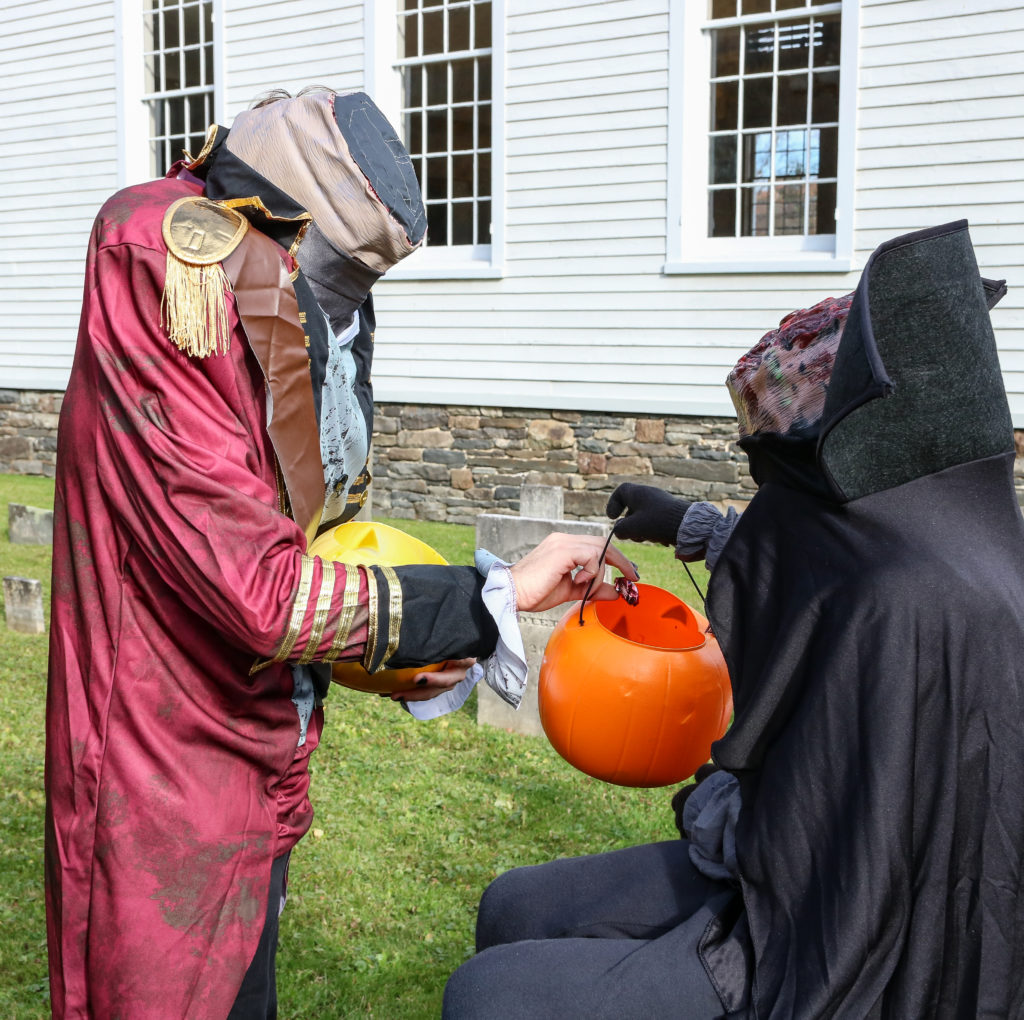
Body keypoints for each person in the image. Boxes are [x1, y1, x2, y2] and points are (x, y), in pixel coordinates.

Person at [44, 87, 637, 1020]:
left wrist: (390, 659)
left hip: (263, 747)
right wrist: (491, 597)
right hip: (162, 771)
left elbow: (299, 533)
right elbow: (259, 590)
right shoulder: (165, 263)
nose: (332, 322)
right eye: (328, 288)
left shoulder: (287, 299)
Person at [442, 220, 1024, 1018]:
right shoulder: (910, 526)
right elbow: (814, 561)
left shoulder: (911, 602)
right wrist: (694, 526)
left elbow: (842, 854)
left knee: (487, 997)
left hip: (815, 939)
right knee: (513, 905)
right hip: (773, 865)